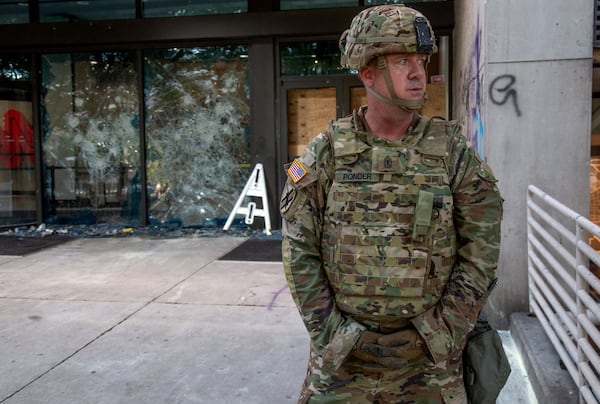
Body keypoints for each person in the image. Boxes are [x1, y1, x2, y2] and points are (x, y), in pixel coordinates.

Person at [280, 4, 503, 403]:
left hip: (429, 365)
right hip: (343, 365)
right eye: (403, 61)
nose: (419, 72)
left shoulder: (452, 153)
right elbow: (299, 252)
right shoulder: (327, 153)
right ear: (367, 73)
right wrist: (337, 336)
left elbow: (481, 253)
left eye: (421, 60)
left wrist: (437, 333)